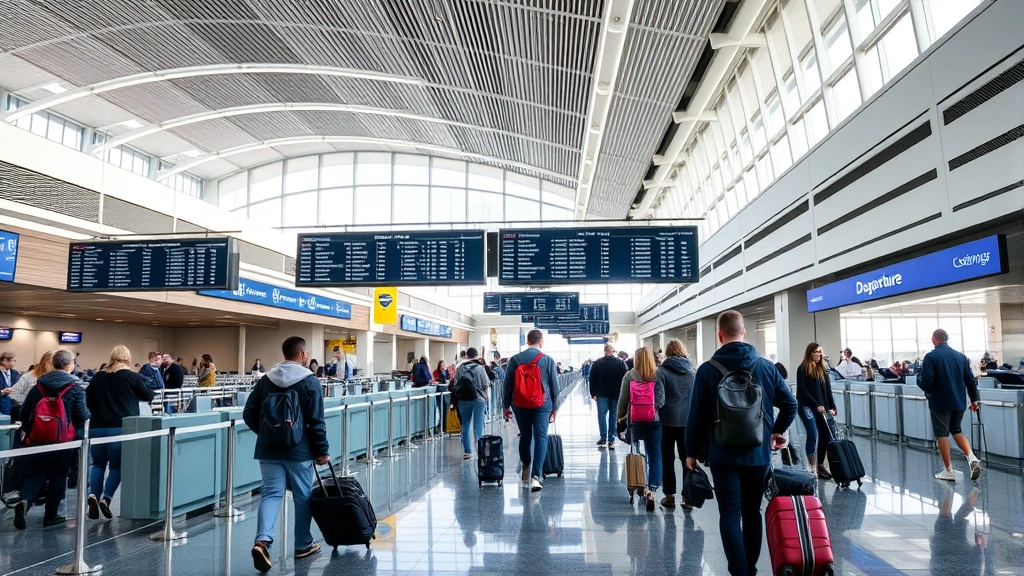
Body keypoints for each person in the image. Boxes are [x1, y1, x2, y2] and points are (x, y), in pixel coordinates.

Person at [685, 310, 797, 576]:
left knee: (730, 514)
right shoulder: (766, 367)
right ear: (744, 332)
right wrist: (776, 432)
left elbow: (696, 416)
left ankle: (739, 571)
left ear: (720, 334)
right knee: (752, 513)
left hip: (722, 455)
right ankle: (752, 568)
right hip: (758, 454)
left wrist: (691, 451)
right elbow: (790, 404)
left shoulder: (707, 370)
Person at [243, 336, 330, 573]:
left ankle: (262, 541)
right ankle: (302, 544)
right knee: (303, 496)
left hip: (268, 450)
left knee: (271, 494)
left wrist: (268, 434)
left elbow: (248, 414)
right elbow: (316, 421)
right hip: (299, 451)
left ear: (284, 354)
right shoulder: (310, 382)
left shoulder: (266, 380)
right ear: (303, 355)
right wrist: (322, 452)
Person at [14, 349, 90, 530]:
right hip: (64, 441)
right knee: (59, 475)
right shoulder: (75, 388)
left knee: (36, 473)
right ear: (70, 365)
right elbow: (81, 415)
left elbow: (24, 411)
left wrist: (27, 428)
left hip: (39, 438)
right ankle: (51, 516)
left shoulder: (38, 386)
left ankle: (25, 500)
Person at [85, 346, 155, 520]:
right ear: (127, 358)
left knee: (98, 464)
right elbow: (148, 396)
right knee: (116, 466)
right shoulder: (132, 377)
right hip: (121, 427)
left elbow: (89, 402)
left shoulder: (98, 377)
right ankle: (106, 498)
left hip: (97, 427)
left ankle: (93, 494)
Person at [917, 329, 982, 481]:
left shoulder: (931, 356)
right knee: (956, 430)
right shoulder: (961, 357)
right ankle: (972, 458)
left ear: (934, 339)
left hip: (940, 401)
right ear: (947, 339)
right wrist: (974, 400)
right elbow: (970, 381)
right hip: (959, 401)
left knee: (942, 434)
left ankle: (948, 470)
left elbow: (926, 382)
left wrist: (919, 381)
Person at [502, 329, 559, 493]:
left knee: (525, 435)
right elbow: (555, 386)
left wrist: (506, 405)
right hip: (542, 404)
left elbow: (507, 385)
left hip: (519, 404)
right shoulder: (547, 360)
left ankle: (526, 465)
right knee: (541, 437)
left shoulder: (515, 360)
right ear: (541, 341)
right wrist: (555, 407)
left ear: (527, 341)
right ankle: (536, 476)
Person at [617, 347, 664, 511]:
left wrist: (620, 420)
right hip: (654, 420)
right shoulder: (657, 374)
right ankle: (651, 490)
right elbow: (662, 400)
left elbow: (622, 402)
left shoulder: (630, 375)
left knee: (636, 451)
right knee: (655, 456)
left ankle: (637, 485)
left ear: (636, 359)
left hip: (635, 420)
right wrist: (652, 408)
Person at [656, 340, 695, 509]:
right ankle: (688, 498)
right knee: (687, 459)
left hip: (666, 421)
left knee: (667, 457)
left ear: (668, 353)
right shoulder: (692, 372)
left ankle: (669, 495)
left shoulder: (661, 371)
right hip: (687, 421)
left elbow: (660, 399)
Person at [796, 343, 837, 479]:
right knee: (813, 433)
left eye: (819, 352)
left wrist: (832, 406)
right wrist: (816, 404)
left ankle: (819, 465)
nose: (818, 355)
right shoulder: (802, 369)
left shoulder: (822, 370)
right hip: (807, 406)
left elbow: (828, 391)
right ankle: (811, 466)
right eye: (815, 352)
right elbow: (803, 391)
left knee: (826, 435)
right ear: (809, 353)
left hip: (822, 408)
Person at [588, 343, 628, 450]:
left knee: (602, 414)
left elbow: (592, 379)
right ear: (614, 351)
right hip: (616, 394)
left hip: (601, 393)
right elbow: (625, 378)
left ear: (605, 351)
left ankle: (603, 437)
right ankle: (611, 439)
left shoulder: (597, 363)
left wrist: (593, 393)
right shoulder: (620, 363)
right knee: (613, 415)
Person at [453, 348, 490, 460]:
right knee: (478, 425)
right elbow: (485, 384)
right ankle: (480, 451)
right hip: (478, 399)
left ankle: (467, 452)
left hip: (463, 398)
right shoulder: (480, 368)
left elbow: (455, 384)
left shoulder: (459, 368)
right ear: (477, 355)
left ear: (466, 356)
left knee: (465, 424)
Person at [5, 351, 53, 421]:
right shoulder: (28, 377)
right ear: (47, 364)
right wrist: (30, 403)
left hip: (51, 417)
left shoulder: (59, 379)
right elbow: (13, 392)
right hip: (30, 416)